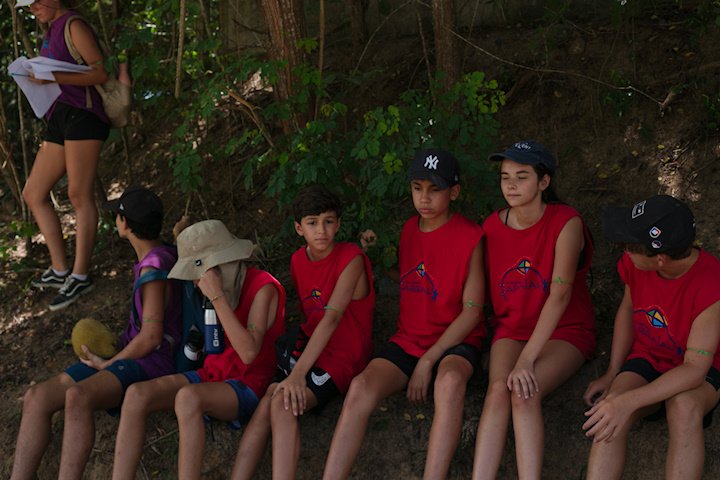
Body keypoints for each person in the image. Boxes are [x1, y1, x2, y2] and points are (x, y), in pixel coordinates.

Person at [323, 148, 485, 480]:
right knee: (360, 387)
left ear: (454, 192)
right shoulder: (410, 229)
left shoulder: (471, 237)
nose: (424, 197)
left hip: (455, 341)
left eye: (435, 189)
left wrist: (429, 360)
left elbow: (472, 313)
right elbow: (416, 278)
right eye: (417, 188)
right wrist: (374, 255)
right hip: (409, 340)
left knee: (449, 382)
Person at [10, 186, 181, 480]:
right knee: (37, 397)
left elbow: (152, 336)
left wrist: (109, 363)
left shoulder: (154, 267)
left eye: (118, 216)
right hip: (133, 353)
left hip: (153, 361)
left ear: (125, 223)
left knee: (78, 396)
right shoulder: (158, 255)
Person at [111, 219, 286, 480]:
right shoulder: (209, 291)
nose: (194, 284)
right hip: (212, 373)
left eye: (196, 276)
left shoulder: (263, 287)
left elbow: (249, 353)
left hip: (248, 382)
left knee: (187, 397)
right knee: (137, 394)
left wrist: (217, 297)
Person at [231, 186, 375, 479]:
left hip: (343, 356)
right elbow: (312, 317)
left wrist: (297, 375)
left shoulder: (351, 258)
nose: (321, 230)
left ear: (338, 223)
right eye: (312, 223)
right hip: (310, 348)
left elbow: (331, 319)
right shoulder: (298, 260)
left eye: (328, 221)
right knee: (269, 398)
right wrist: (295, 371)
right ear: (299, 228)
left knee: (283, 403)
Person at [472, 140, 596, 479]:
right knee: (498, 390)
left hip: (564, 330)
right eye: (505, 177)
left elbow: (560, 295)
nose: (511, 185)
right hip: (512, 328)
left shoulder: (566, 222)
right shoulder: (490, 227)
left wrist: (526, 359)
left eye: (522, 176)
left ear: (544, 182)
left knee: (524, 393)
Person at [583, 195, 720, 480]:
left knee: (683, 407)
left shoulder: (711, 284)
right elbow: (627, 309)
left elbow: (694, 369)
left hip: (698, 369)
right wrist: (613, 373)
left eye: (630, 247)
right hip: (649, 357)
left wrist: (629, 402)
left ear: (659, 259)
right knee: (612, 404)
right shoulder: (635, 264)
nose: (624, 251)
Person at [17, 0, 111, 310]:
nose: (32, 9)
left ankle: (80, 275)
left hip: (84, 114)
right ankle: (60, 270)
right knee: (33, 193)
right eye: (28, 6)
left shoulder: (73, 24)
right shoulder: (50, 30)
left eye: (34, 3)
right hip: (60, 116)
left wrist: (53, 77)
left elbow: (99, 73)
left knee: (78, 194)